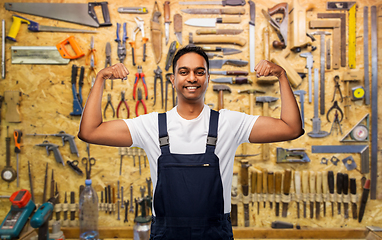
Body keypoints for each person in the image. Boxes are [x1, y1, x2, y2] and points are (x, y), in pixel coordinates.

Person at [78, 46, 304, 239]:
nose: (192, 78)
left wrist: (282, 75)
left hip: (215, 233)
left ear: (208, 78)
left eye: (199, 72)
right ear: (172, 79)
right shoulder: (151, 126)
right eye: (184, 72)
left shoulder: (230, 122)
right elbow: (90, 131)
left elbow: (291, 128)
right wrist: (100, 79)